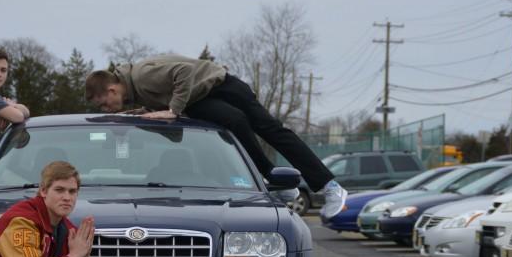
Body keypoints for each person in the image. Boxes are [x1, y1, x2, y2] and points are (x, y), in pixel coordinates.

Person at [84, 54, 348, 217]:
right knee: (234, 121)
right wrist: (145, 117)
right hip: (199, 98)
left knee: (269, 129)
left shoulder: (141, 76)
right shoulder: (136, 92)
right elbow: (175, 135)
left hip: (222, 86)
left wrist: (173, 109)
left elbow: (183, 72)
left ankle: (329, 186)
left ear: (111, 89)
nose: (106, 109)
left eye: (104, 104)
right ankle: (273, 178)